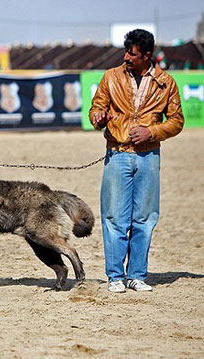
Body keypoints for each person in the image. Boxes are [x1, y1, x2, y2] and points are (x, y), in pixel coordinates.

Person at [89, 29, 184, 293]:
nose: (126, 57)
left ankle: (137, 275)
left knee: (144, 218)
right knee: (115, 217)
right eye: (126, 51)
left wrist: (151, 132)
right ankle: (115, 276)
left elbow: (177, 121)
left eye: (132, 54)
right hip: (117, 154)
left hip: (149, 156)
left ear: (147, 56)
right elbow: (96, 108)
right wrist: (98, 118)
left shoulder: (166, 83)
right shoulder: (110, 77)